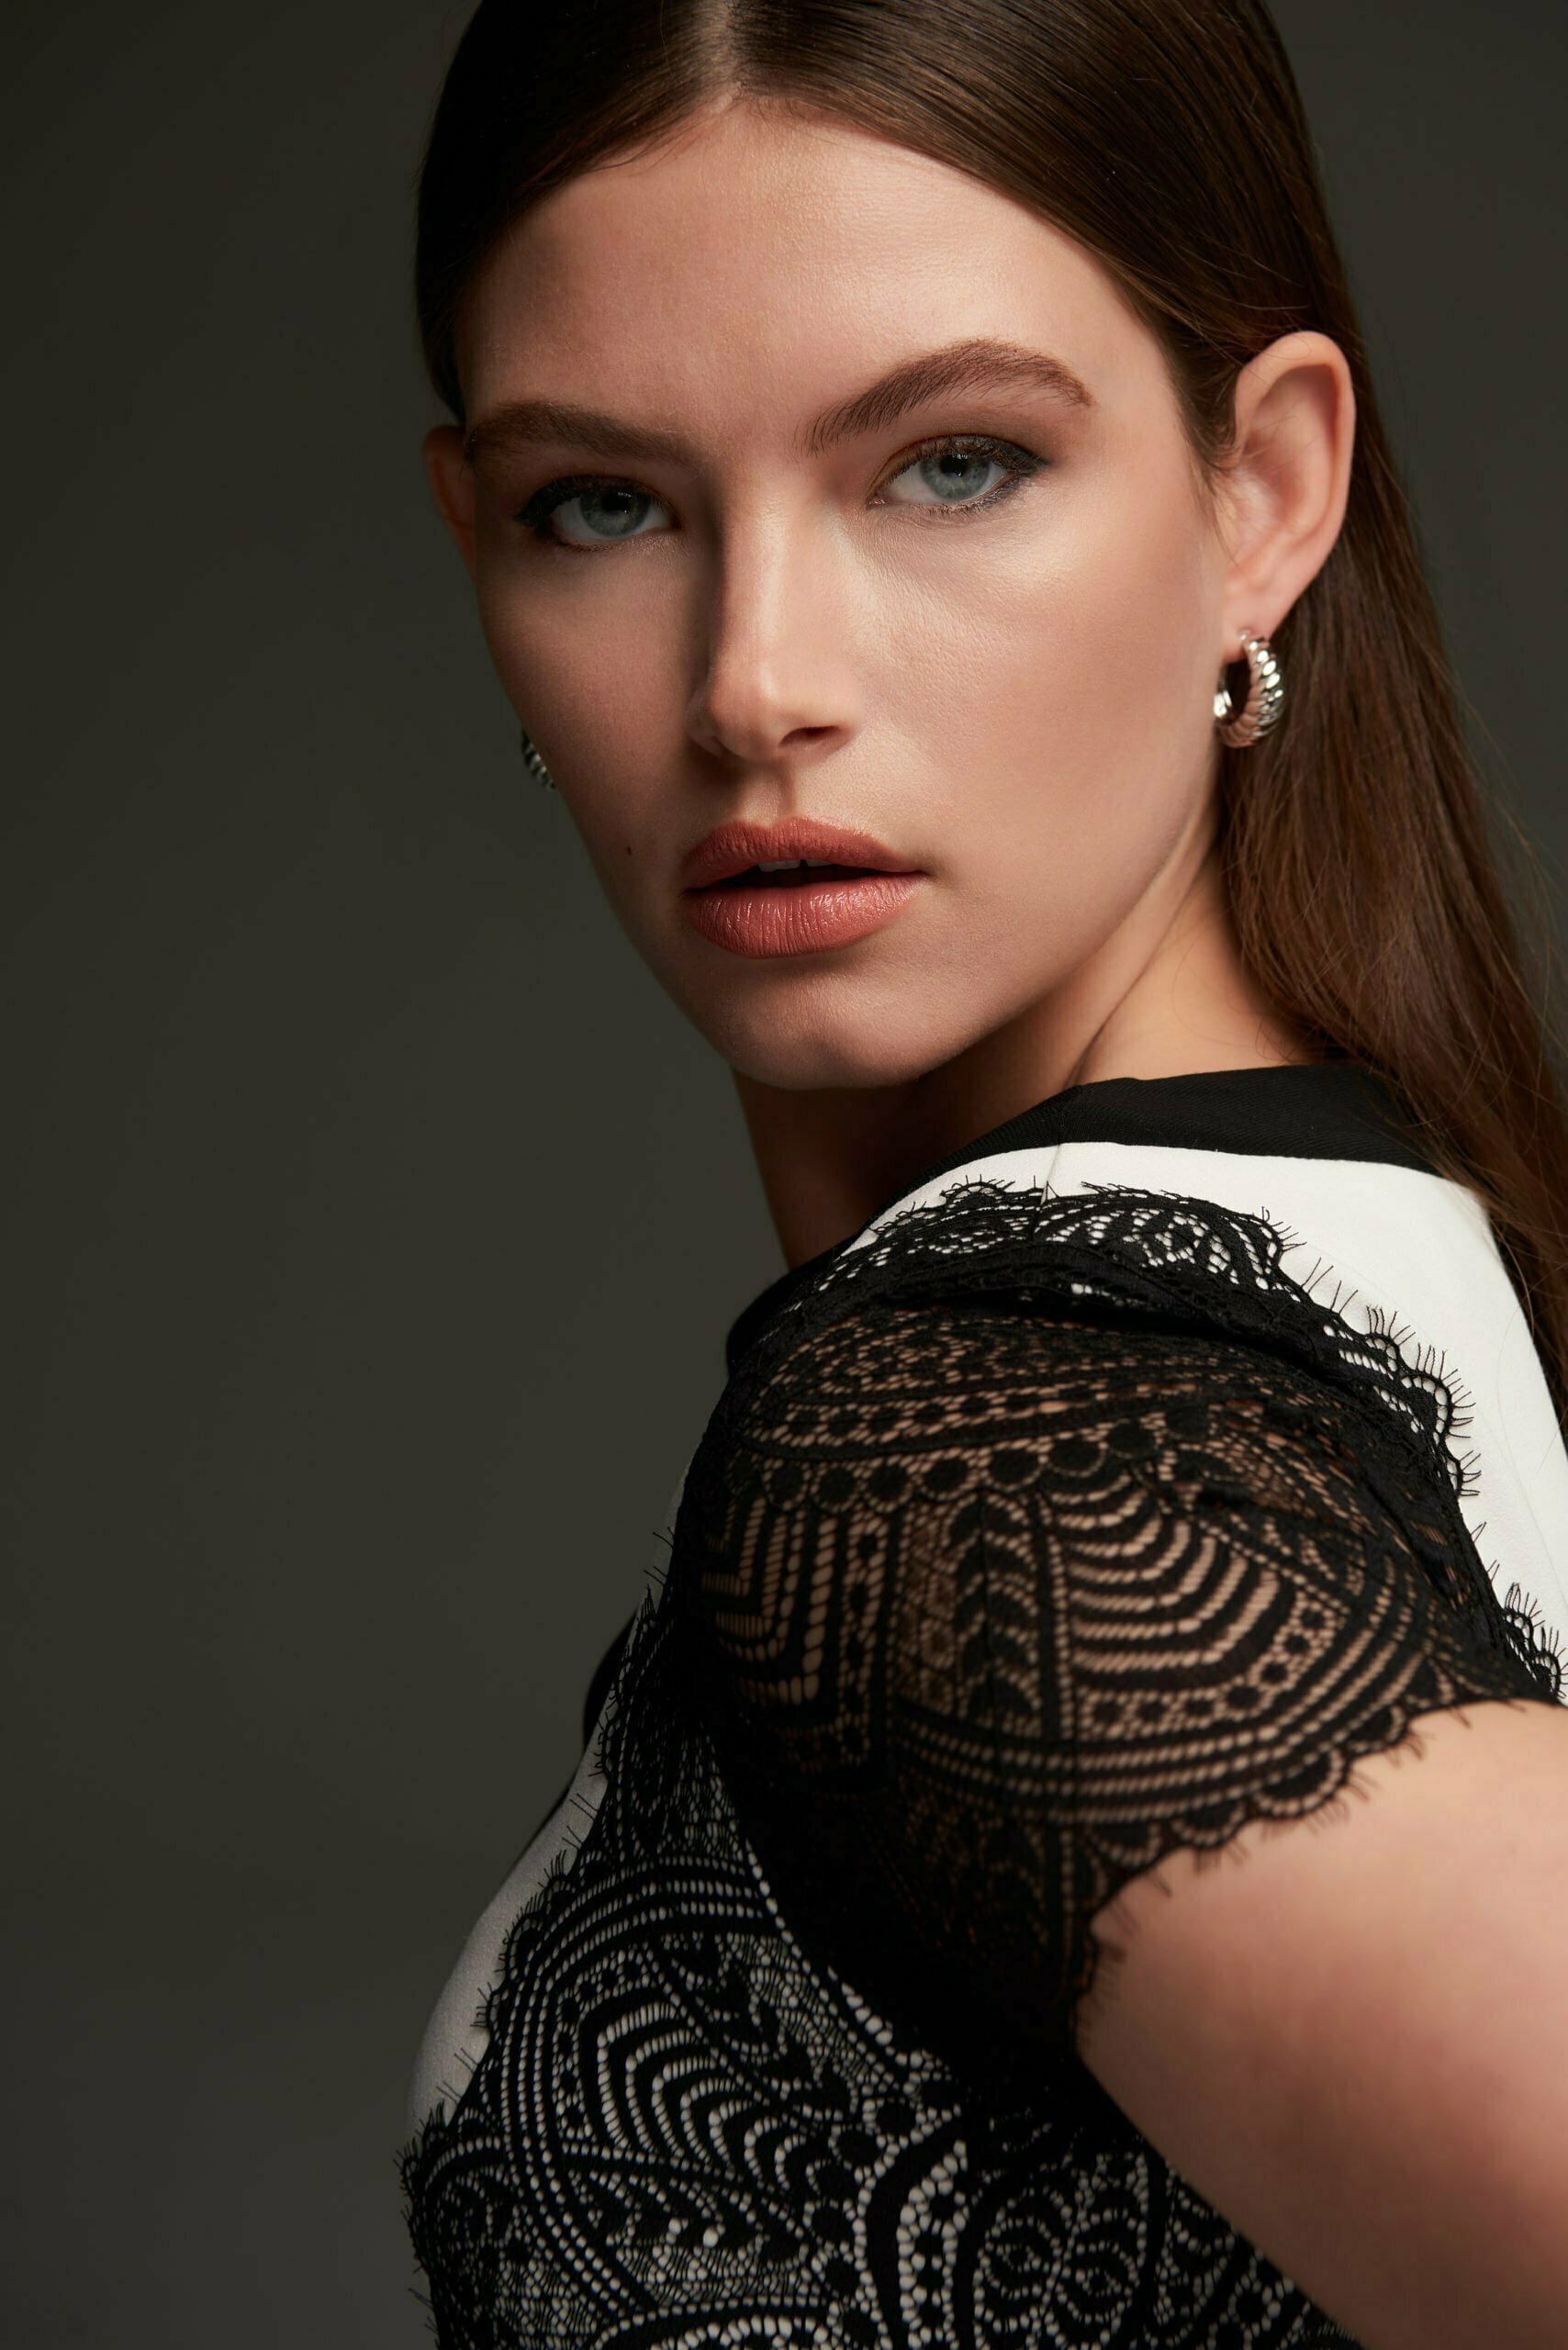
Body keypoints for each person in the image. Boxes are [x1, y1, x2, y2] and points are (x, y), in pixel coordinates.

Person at [396, 3, 1568, 2342]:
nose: (753, 681)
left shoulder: (985, 1464)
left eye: (949, 462)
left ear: (1262, 493)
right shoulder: (1405, 1265)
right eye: (599, 503)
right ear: (475, 545)